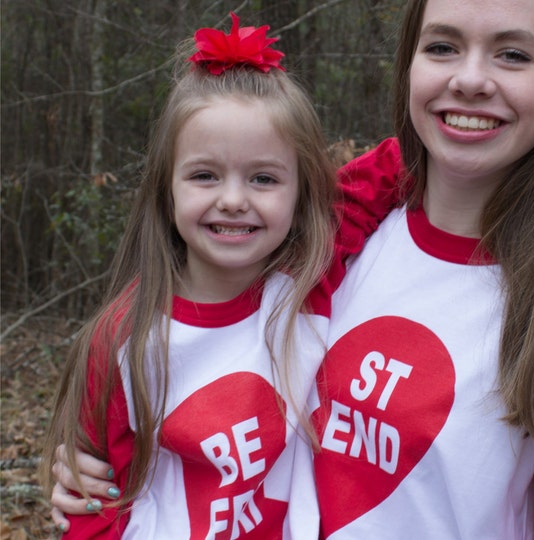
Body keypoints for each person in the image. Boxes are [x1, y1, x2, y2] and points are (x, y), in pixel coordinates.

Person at [50, 0, 534, 538]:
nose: (469, 79)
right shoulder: (326, 240)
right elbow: (195, 329)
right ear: (409, 65)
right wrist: (106, 478)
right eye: (441, 47)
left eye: (513, 54)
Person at [41, 12, 344, 538]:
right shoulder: (124, 338)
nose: (232, 200)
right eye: (205, 175)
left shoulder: (307, 293)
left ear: (302, 197)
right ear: (167, 189)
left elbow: (396, 168)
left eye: (264, 178)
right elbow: (93, 509)